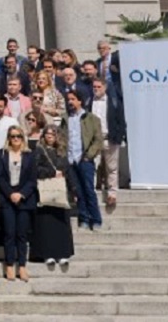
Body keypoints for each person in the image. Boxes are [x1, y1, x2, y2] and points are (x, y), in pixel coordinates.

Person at [0, 125, 37, 281]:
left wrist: (21, 194)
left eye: (18, 136)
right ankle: (9, 265)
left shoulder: (29, 155)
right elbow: (0, 177)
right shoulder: (2, 154)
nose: (15, 139)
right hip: (7, 198)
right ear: (8, 138)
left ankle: (22, 266)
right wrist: (11, 193)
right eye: (12, 136)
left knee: (21, 234)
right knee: (9, 233)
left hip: (24, 200)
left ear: (23, 138)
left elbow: (32, 180)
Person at [31, 125, 74, 267]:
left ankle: (62, 254)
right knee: (46, 224)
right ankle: (47, 254)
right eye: (47, 133)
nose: (49, 136)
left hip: (60, 192)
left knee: (60, 223)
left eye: (53, 134)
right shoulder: (39, 151)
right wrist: (51, 172)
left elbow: (68, 172)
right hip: (46, 192)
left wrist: (74, 190)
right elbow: (35, 169)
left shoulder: (61, 152)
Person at [59, 91, 103, 230]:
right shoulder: (65, 119)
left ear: (80, 101)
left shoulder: (91, 119)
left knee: (89, 189)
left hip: (84, 159)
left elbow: (98, 140)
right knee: (77, 191)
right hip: (71, 160)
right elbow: (61, 139)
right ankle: (83, 218)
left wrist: (88, 155)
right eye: (68, 99)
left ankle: (95, 219)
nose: (70, 102)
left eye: (73, 99)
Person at [89, 76, 126, 209]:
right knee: (92, 166)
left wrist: (118, 136)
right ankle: (90, 192)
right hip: (94, 140)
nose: (96, 89)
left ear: (105, 87)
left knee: (112, 168)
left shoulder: (114, 102)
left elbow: (120, 120)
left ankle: (112, 194)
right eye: (94, 87)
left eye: (99, 87)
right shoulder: (89, 101)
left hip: (110, 138)